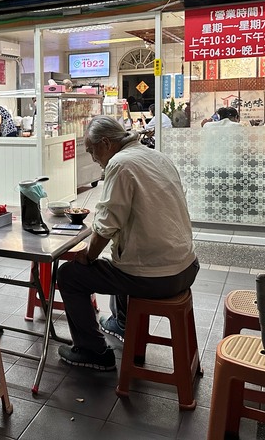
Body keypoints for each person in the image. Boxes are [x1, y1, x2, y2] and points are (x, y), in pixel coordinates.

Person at [56, 115, 198, 370]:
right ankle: (121, 323)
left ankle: (93, 351)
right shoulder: (156, 156)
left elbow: (107, 224)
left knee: (70, 275)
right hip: (187, 268)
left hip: (157, 277)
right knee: (119, 260)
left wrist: (88, 256)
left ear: (107, 143)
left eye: (91, 150)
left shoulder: (120, 164)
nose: (92, 157)